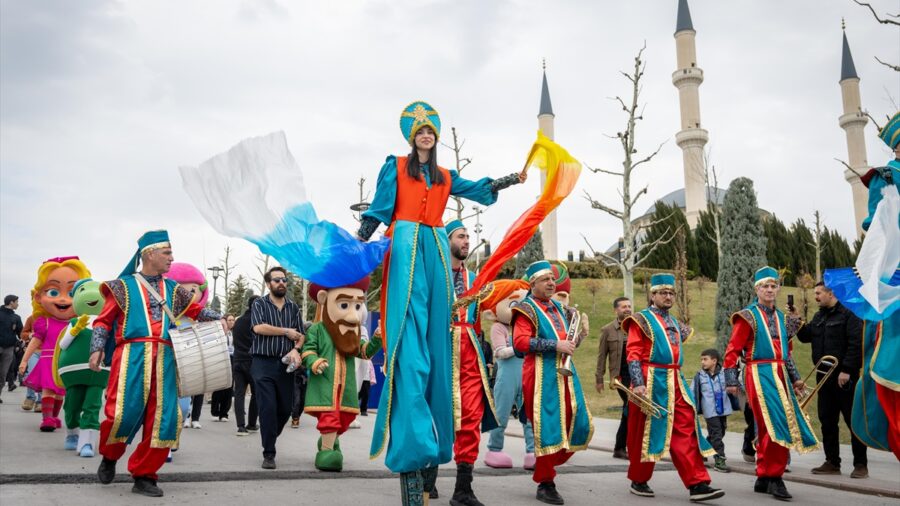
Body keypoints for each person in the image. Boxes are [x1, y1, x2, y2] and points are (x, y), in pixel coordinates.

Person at [359, 101, 524, 504]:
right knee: (410, 336)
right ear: (412, 138)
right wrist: (362, 235)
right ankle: (413, 431)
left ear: (436, 136)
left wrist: (506, 180)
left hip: (433, 244)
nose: (426, 135)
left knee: (436, 326)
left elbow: (475, 188)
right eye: (420, 131)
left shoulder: (445, 176)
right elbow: (380, 208)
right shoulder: (396, 166)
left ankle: (436, 451)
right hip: (405, 241)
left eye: (430, 130)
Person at [89, 230, 223, 497]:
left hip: (166, 356)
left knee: (165, 419)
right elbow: (103, 320)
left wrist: (220, 317)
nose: (172, 258)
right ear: (149, 254)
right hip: (131, 356)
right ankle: (110, 456)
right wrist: (96, 349)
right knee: (120, 415)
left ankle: (145, 475)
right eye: (168, 253)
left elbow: (195, 311)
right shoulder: (122, 286)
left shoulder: (173, 289)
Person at [622, 273, 724, 502]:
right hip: (650, 381)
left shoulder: (676, 323)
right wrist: (638, 384)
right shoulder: (641, 320)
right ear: (652, 295)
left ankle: (698, 483)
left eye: (671, 293)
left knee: (686, 428)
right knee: (644, 434)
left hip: (675, 380)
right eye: (663, 292)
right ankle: (639, 479)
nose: (668, 296)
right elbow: (634, 354)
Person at [724, 266, 819, 501]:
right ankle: (775, 477)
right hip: (759, 372)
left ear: (777, 289)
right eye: (764, 286)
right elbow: (732, 350)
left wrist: (796, 377)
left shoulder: (781, 318)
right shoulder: (747, 315)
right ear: (757, 289)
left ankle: (764, 476)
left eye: (772, 286)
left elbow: (786, 353)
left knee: (768, 427)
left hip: (780, 373)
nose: (769, 290)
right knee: (778, 424)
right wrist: (730, 380)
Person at [512, 260, 593, 505]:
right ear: (533, 283)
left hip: (566, 372)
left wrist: (578, 337)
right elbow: (520, 343)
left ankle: (545, 463)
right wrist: (555, 345)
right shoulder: (525, 309)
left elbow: (567, 342)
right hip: (540, 373)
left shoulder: (559, 308)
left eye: (552, 279)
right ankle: (546, 481)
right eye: (545, 279)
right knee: (549, 427)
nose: (551, 283)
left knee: (577, 421)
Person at [301, 278, 382, 471]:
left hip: (345, 385)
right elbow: (308, 351)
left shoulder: (352, 331)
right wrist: (315, 362)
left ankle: (328, 442)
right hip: (326, 383)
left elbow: (363, 352)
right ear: (324, 299)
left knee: (344, 417)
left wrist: (377, 339)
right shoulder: (317, 329)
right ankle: (327, 450)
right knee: (330, 416)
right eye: (345, 305)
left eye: (357, 306)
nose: (353, 315)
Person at [446, 219, 499, 506]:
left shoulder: (477, 279)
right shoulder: (434, 275)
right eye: (460, 236)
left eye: (468, 236)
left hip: (471, 355)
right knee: (435, 416)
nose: (467, 241)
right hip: (440, 351)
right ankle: (426, 476)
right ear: (447, 241)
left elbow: (489, 312)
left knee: (470, 420)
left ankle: (463, 489)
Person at [794, 281, 867, 477]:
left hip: (844, 377)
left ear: (830, 293)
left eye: (818, 293)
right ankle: (832, 462)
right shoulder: (819, 316)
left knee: (853, 421)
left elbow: (856, 343)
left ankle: (861, 464)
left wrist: (848, 370)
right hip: (823, 376)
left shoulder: (849, 314)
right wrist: (798, 322)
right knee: (827, 420)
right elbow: (806, 336)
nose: (816, 296)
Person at [20, 257, 88, 432]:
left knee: (60, 392)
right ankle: (47, 418)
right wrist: (24, 360)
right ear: (38, 296)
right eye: (53, 292)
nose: (64, 299)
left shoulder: (76, 323)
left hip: (65, 362)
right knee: (49, 391)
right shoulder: (45, 322)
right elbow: (35, 341)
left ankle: (54, 417)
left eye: (72, 293)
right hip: (48, 360)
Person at [250, 266, 305, 470]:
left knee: (285, 409)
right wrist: (285, 331)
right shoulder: (259, 304)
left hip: (286, 365)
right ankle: (269, 453)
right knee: (268, 407)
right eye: (276, 280)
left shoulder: (293, 307)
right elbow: (258, 327)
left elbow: (301, 335)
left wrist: (296, 349)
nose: (281, 283)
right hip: (262, 363)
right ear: (268, 284)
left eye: (284, 280)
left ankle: (270, 436)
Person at [482, 280, 535, 470]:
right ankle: (494, 449)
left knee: (529, 413)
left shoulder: (526, 327)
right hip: (506, 375)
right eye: (514, 305)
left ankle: (532, 451)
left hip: (526, 373)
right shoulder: (499, 327)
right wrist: (522, 345)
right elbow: (499, 351)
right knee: (501, 412)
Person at [597, 296, 632, 460]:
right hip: (620, 376)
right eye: (624, 306)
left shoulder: (637, 326)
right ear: (616, 310)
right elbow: (601, 356)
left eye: (629, 306)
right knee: (631, 406)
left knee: (630, 409)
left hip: (638, 374)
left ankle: (621, 447)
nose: (627, 309)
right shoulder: (607, 329)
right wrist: (599, 378)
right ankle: (620, 447)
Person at [691, 349, 733, 473]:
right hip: (710, 411)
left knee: (720, 432)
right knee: (717, 434)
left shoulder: (725, 373)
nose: (702, 362)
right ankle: (719, 460)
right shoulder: (699, 376)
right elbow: (692, 392)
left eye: (705, 359)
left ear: (714, 361)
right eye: (701, 359)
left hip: (723, 410)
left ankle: (702, 450)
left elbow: (735, 385)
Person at [232, 296, 259, 436]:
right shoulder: (257, 322)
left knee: (239, 393)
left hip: (237, 360)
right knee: (256, 393)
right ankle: (252, 423)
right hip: (252, 361)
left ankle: (240, 426)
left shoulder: (238, 321)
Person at [210, 313, 236, 422]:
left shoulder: (235, 333)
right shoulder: (220, 332)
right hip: (221, 358)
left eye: (233, 320)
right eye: (229, 320)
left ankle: (224, 413)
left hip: (232, 359)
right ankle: (215, 411)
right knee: (219, 386)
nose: (231, 322)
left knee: (229, 387)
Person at [0, 294, 23, 404]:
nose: (18, 304)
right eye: (17, 302)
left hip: (9, 348)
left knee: (3, 374)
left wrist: (24, 339)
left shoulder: (16, 318)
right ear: (11, 302)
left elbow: (20, 333)